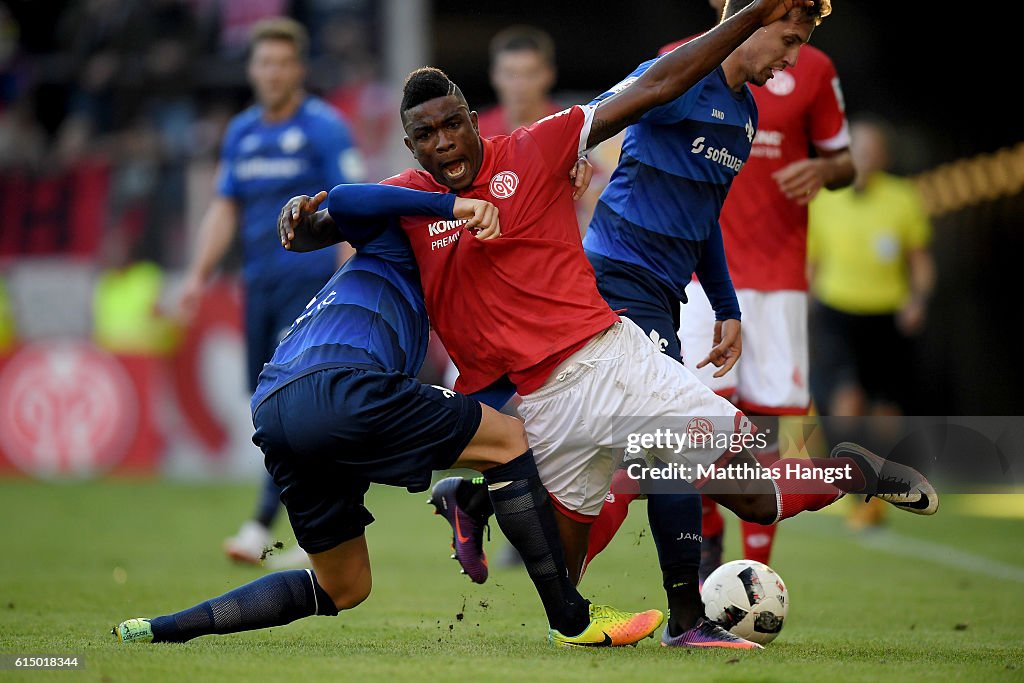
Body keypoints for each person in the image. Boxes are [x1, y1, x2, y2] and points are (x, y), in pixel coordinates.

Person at [282, 0, 936, 651]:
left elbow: (697, 205)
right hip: (583, 331)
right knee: (580, 557)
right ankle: (491, 509)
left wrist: (726, 303)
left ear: (473, 121)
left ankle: (711, 590)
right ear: (412, 145)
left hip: (619, 335)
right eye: (786, 39)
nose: (445, 140)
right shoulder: (416, 196)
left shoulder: (547, 146)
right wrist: (305, 217)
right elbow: (338, 214)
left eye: (455, 123)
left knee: (698, 472)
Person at [113, 183, 664, 648]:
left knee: (343, 585)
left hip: (275, 404)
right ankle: (571, 619)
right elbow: (351, 197)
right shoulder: (395, 243)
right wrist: (454, 207)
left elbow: (483, 382)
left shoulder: (419, 289)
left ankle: (158, 630)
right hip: (344, 385)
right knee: (509, 442)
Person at [586, 0, 856, 605]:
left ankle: (487, 506)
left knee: (652, 448)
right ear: (750, 19)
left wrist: (727, 306)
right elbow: (589, 119)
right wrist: (572, 158)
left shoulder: (745, 113)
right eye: (788, 38)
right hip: (617, 277)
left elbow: (706, 218)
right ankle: (679, 611)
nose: (793, 58)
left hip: (671, 292)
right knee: (669, 445)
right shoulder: (676, 72)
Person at [176, 17, 364, 568]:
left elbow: (348, 205)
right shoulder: (241, 133)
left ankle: (261, 526)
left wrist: (347, 282)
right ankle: (324, 524)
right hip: (257, 287)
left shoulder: (325, 128)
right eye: (264, 62)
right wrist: (196, 276)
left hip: (309, 291)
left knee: (291, 409)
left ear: (299, 69)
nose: (273, 72)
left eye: (283, 62)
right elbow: (225, 207)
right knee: (266, 413)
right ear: (252, 69)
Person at [807, 116, 935, 418]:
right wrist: (805, 306)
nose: (864, 155)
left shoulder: (903, 197)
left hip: (887, 312)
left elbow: (919, 260)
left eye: (872, 149)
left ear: (884, 156)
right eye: (858, 147)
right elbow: (813, 260)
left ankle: (884, 464)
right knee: (846, 398)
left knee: (887, 407)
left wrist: (918, 300)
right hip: (836, 310)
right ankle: (846, 463)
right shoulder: (823, 197)